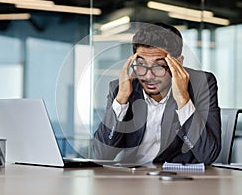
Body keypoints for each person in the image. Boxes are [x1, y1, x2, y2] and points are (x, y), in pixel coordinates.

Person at [93, 22, 221, 165]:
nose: (148, 76)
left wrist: (183, 99)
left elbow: (208, 155)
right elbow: (100, 155)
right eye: (141, 65)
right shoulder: (121, 88)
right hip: (130, 178)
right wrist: (121, 99)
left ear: (178, 63)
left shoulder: (201, 84)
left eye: (159, 66)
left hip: (176, 181)